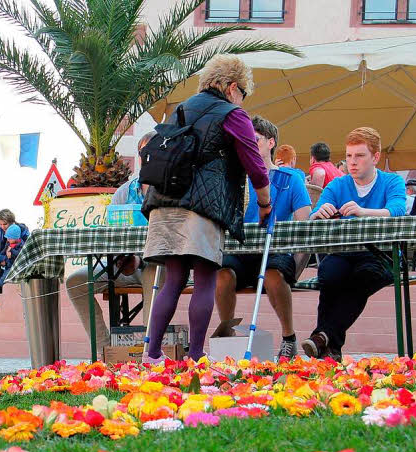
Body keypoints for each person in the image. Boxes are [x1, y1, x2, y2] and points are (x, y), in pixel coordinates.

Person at [141, 54, 272, 362]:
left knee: (173, 279)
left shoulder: (180, 110)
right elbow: (255, 164)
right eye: (243, 92)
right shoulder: (232, 114)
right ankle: (197, 357)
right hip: (202, 207)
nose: (242, 100)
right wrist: (265, 204)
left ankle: (153, 355)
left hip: (163, 203)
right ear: (231, 86)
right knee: (205, 277)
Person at [301, 127, 407, 361]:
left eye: (359, 156)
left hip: (381, 254)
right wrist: (320, 213)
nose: (352, 162)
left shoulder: (392, 181)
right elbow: (315, 212)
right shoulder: (339, 185)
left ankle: (323, 338)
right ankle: (329, 344)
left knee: (364, 277)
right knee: (329, 274)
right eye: (349, 156)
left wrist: (363, 211)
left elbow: (399, 210)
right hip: (344, 252)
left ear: (376, 157)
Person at [214, 115, 312, 358]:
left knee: (273, 276)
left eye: (254, 139)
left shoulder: (290, 180)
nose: (247, 143)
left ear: (271, 143)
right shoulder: (234, 180)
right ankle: (227, 335)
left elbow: (304, 223)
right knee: (222, 274)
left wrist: (298, 264)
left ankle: (289, 337)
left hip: (275, 250)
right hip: (240, 251)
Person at [65, 130, 162, 350]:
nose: (149, 157)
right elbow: (112, 235)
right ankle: (105, 350)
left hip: (158, 265)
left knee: (152, 273)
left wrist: (140, 259)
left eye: (155, 152)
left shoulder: (172, 190)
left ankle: (151, 350)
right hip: (122, 267)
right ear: (139, 156)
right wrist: (122, 258)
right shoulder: (124, 192)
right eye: (144, 153)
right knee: (75, 281)